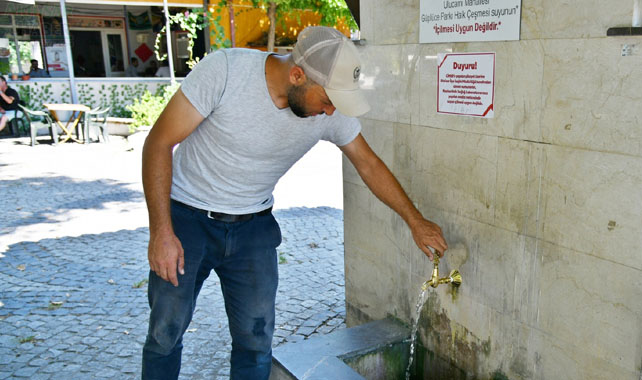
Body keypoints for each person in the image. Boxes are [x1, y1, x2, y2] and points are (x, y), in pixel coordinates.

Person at [140, 26, 448, 380]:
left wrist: (415, 220)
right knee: (165, 333)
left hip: (253, 229)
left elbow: (369, 164)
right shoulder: (225, 72)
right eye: (328, 100)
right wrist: (161, 231)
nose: (332, 112)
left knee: (256, 343)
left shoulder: (328, 107)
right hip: (186, 219)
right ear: (297, 75)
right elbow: (158, 143)